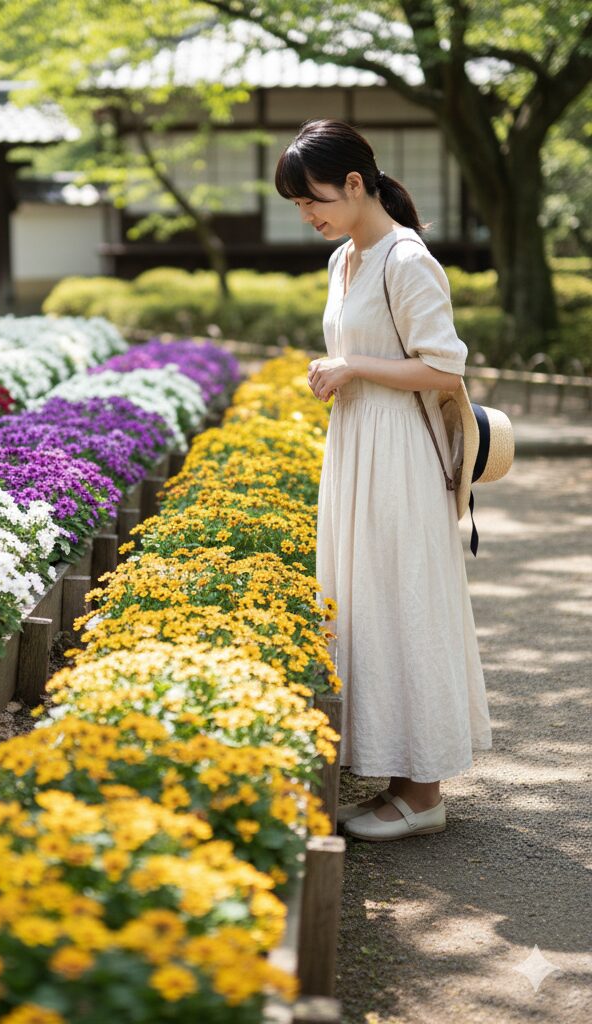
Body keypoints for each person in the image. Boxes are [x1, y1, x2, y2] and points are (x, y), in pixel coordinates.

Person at [274, 118, 492, 842]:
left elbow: (444, 368)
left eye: (313, 200)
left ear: (354, 183)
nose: (307, 215)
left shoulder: (405, 258)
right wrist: (340, 370)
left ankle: (424, 792)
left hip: (397, 452)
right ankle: (398, 781)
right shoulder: (345, 258)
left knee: (404, 602)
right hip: (358, 446)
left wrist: (353, 366)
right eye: (298, 205)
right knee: (366, 603)